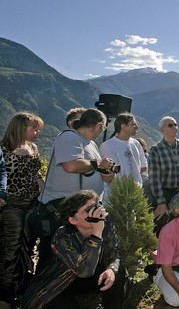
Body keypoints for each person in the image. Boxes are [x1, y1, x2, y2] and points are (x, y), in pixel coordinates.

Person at [37, 108, 116, 273]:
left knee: (75, 254)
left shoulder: (91, 144)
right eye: (103, 127)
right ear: (98, 125)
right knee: (53, 254)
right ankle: (42, 291)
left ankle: (70, 289)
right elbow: (70, 165)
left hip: (82, 209)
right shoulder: (69, 137)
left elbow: (96, 171)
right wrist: (97, 164)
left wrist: (106, 173)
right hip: (62, 205)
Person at [22, 190, 126, 309]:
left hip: (84, 279)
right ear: (73, 220)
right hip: (56, 284)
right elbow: (83, 270)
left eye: (97, 206)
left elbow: (114, 252)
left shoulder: (105, 224)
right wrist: (96, 234)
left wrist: (111, 269)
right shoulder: (62, 236)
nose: (96, 212)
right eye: (89, 210)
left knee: (118, 271)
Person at [0, 112, 44, 307]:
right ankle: (6, 292)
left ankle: (23, 286)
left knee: (28, 244)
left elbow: (36, 174)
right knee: (11, 246)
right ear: (20, 128)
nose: (37, 133)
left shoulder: (33, 148)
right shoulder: (4, 149)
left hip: (31, 203)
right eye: (33, 129)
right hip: (10, 204)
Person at [148, 116, 179, 232]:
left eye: (176, 125)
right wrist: (161, 203)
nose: (174, 127)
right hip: (165, 194)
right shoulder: (156, 150)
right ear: (162, 129)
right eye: (170, 125)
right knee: (163, 229)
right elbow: (154, 179)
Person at [99, 113, 148, 204]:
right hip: (116, 197)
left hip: (135, 195)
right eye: (133, 124)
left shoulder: (136, 144)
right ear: (123, 126)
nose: (137, 127)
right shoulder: (108, 146)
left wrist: (137, 183)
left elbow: (143, 165)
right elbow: (110, 174)